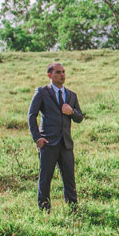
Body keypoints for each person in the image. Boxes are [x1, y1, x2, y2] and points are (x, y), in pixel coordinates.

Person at [27, 62, 85, 212]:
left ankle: (73, 208)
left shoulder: (71, 95)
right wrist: (37, 138)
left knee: (69, 179)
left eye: (64, 72)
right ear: (49, 75)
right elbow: (31, 115)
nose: (62, 75)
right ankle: (44, 208)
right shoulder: (42, 92)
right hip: (48, 143)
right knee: (45, 177)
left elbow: (80, 117)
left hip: (66, 144)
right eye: (58, 72)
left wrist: (71, 112)